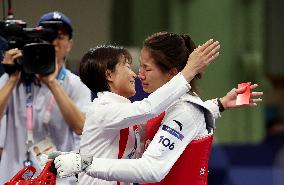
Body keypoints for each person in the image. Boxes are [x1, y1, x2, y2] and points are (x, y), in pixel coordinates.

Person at [52, 32, 262, 185]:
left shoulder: (183, 109)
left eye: (147, 68)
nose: (138, 74)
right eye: (136, 66)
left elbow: (152, 168)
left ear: (171, 73)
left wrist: (218, 104)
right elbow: (154, 110)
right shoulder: (115, 108)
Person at [0, 11, 91, 184]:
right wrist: (12, 78)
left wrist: (52, 82)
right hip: (13, 177)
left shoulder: (75, 84)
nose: (54, 42)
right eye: (48, 36)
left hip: (58, 180)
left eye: (61, 36)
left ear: (69, 44)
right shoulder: (13, 79)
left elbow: (81, 127)